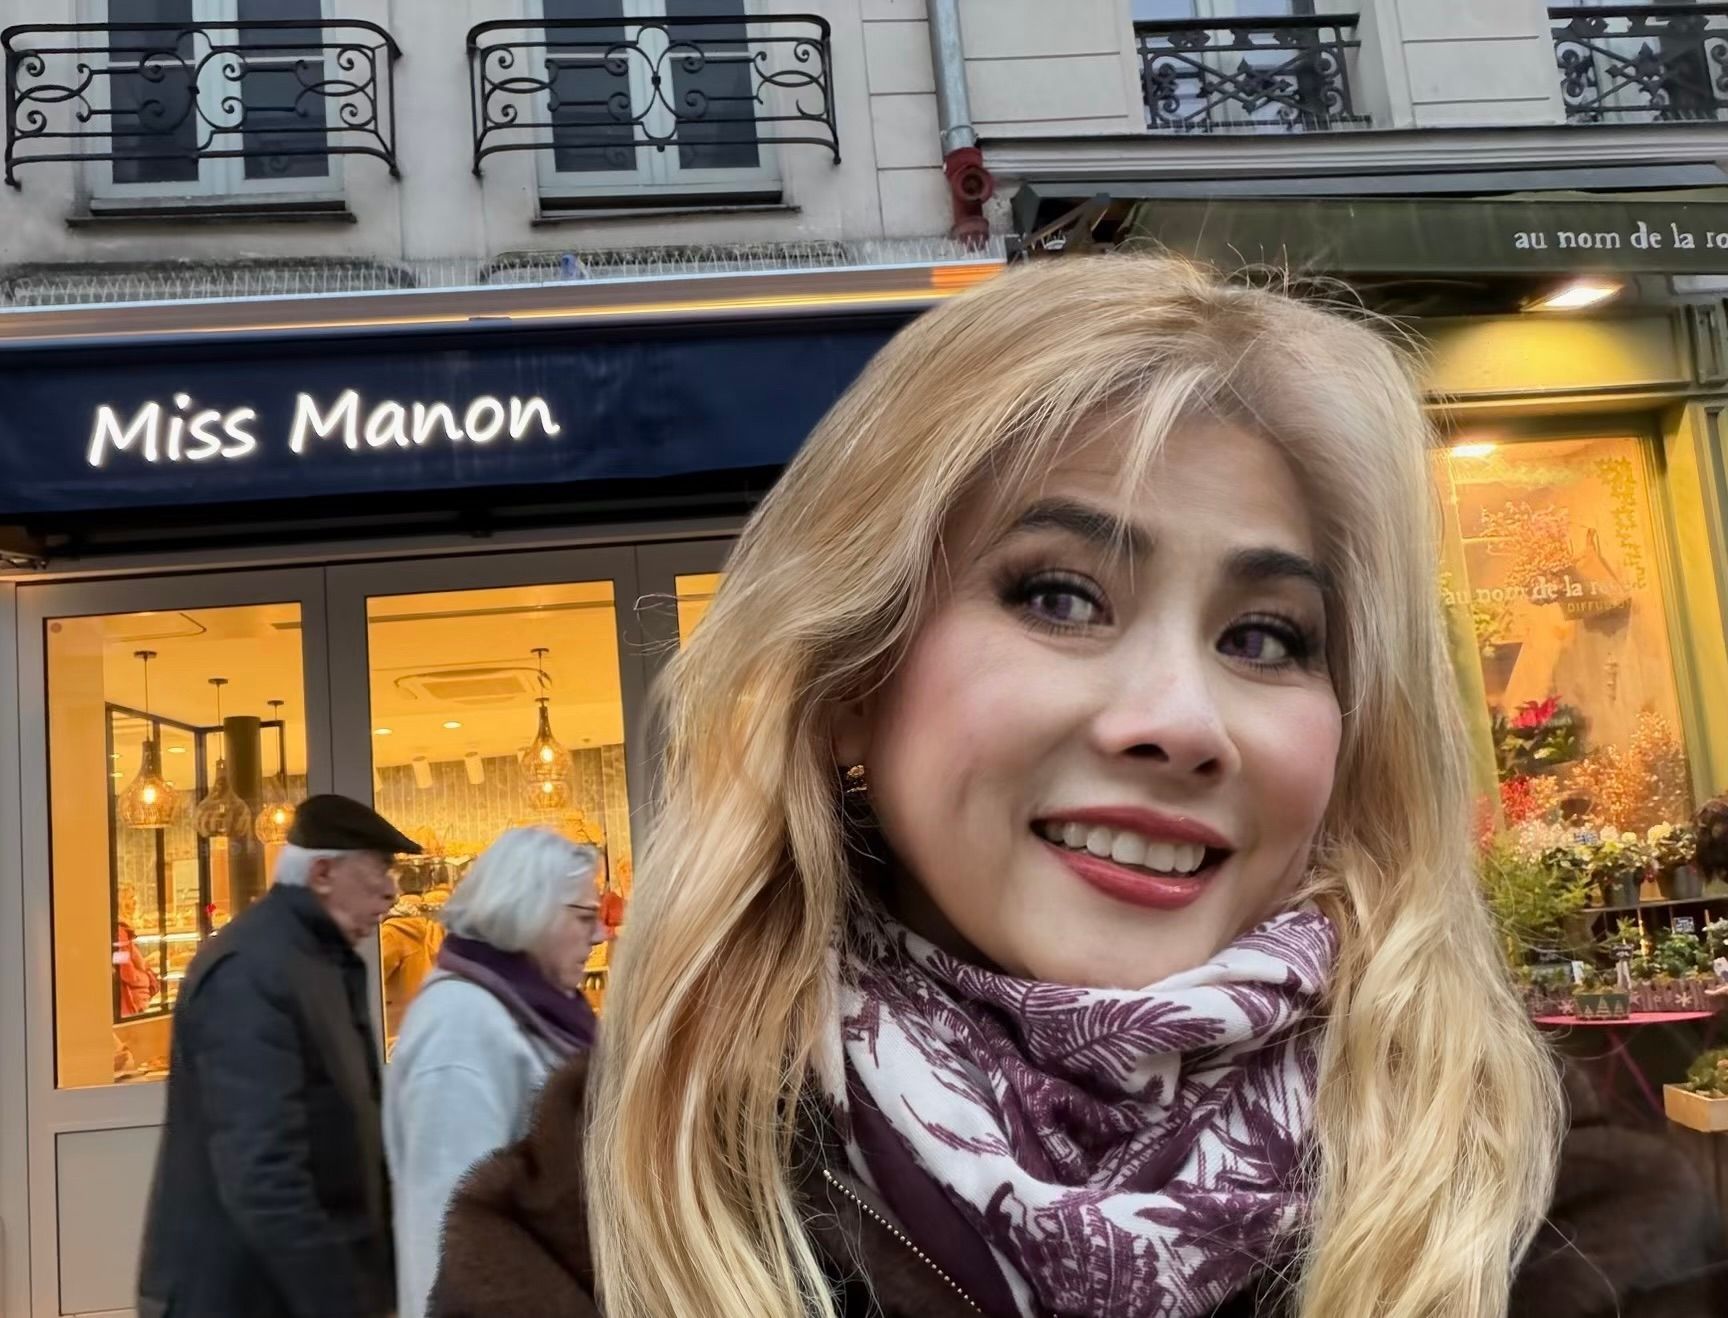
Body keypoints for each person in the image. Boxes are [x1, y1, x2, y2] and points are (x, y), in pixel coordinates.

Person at [431, 258, 1727, 1317]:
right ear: (844, 691)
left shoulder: (1556, 1206)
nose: (1180, 721)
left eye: (1268, 635)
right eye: (1059, 594)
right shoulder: (605, 1221)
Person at [137, 794, 421, 1318]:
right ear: (322, 872)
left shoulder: (319, 959)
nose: (390, 892)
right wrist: (339, 1300)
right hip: (238, 1295)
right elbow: (262, 1170)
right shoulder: (253, 970)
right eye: (378, 870)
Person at [385, 827, 604, 1318]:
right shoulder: (461, 1027)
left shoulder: (534, 1009)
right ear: (531, 912)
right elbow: (446, 1229)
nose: (600, 933)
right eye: (584, 916)